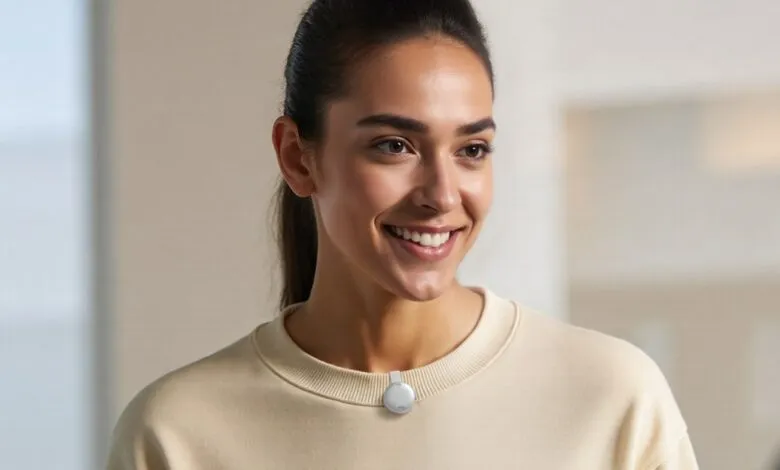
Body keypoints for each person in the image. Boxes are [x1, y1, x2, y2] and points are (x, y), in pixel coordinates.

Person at [107, 0, 699, 468]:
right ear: (297, 157)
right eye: (394, 146)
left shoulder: (612, 397)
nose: (442, 194)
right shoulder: (177, 434)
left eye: (472, 150)